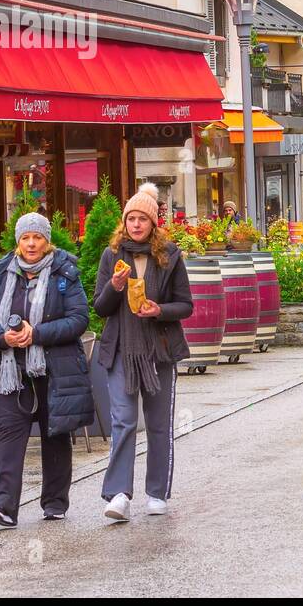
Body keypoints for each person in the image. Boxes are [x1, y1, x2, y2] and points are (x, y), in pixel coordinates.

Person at [0, 212, 91, 527]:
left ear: (46, 240)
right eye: (25, 237)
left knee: (55, 435)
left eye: (37, 237)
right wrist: (2, 337)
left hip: (54, 370)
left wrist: (35, 333)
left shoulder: (63, 273)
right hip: (12, 372)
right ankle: (2, 506)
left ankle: (54, 502)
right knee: (10, 435)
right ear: (17, 241)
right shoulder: (1, 274)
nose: (31, 243)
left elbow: (79, 319)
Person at [93, 183, 194, 521]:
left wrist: (159, 311)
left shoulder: (169, 256)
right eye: (130, 218)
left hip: (158, 350)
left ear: (153, 223)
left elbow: (186, 306)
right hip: (122, 349)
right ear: (124, 222)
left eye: (142, 219)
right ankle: (119, 494)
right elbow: (101, 308)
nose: (136, 224)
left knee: (158, 423)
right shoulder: (112, 256)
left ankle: (156, 493)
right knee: (123, 421)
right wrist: (114, 287)